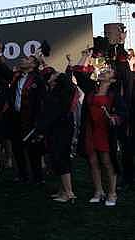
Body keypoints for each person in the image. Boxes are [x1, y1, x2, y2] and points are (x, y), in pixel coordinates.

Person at [0, 41, 46, 184]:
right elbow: (1, 69)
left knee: (33, 150)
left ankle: (37, 177)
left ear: (33, 65)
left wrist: (38, 123)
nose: (23, 59)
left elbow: (41, 103)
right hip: (15, 118)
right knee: (17, 148)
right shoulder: (16, 76)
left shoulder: (38, 80)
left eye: (28, 59)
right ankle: (22, 175)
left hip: (30, 120)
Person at [74, 62, 125, 206]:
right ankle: (98, 191)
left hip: (105, 132)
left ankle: (112, 193)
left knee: (107, 162)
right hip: (91, 130)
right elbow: (78, 73)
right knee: (93, 162)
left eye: (108, 72)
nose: (104, 72)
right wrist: (85, 57)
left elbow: (122, 113)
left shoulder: (114, 95)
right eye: (104, 71)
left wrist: (115, 119)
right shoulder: (91, 89)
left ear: (113, 80)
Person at [38, 72, 80, 203]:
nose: (49, 76)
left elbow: (51, 115)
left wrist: (41, 128)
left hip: (60, 131)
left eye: (52, 76)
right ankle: (63, 190)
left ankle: (68, 192)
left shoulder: (57, 96)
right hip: (60, 130)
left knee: (61, 159)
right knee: (59, 159)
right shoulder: (59, 93)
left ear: (56, 81)